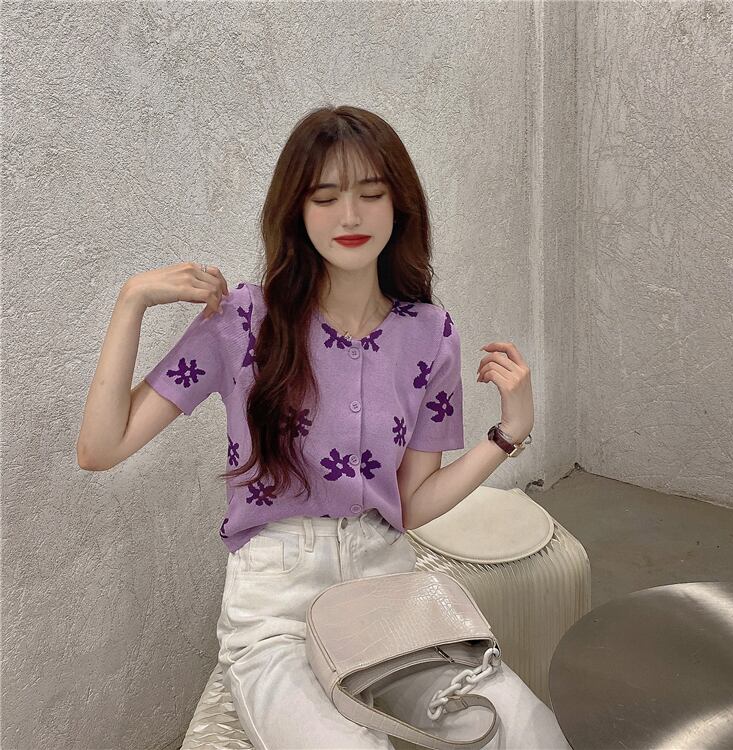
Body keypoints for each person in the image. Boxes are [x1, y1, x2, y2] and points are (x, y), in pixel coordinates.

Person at [77, 105, 571, 749]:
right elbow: (101, 446)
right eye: (326, 196)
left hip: (386, 586)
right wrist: (131, 302)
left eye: (371, 193)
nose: (350, 216)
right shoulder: (243, 321)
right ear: (297, 211)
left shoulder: (430, 334)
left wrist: (507, 434)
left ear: (399, 206)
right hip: (276, 605)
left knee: (523, 726)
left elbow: (413, 502)